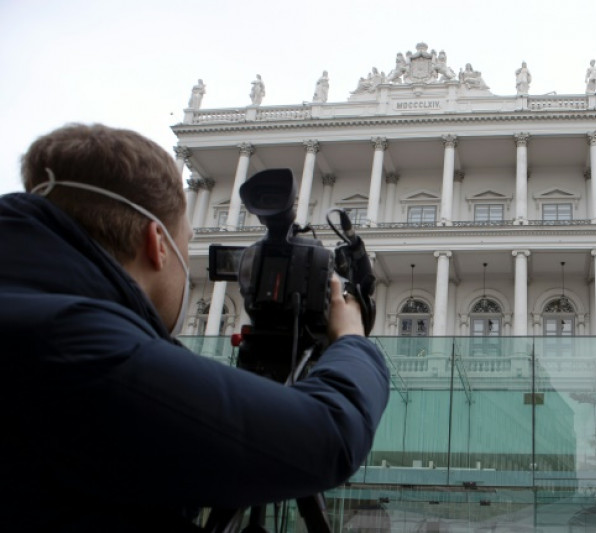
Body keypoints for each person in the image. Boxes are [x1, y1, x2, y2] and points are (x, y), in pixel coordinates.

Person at [0, 123, 390, 532]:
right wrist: (351, 337)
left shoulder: (40, 319)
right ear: (158, 244)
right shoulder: (85, 349)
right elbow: (328, 438)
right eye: (187, 244)